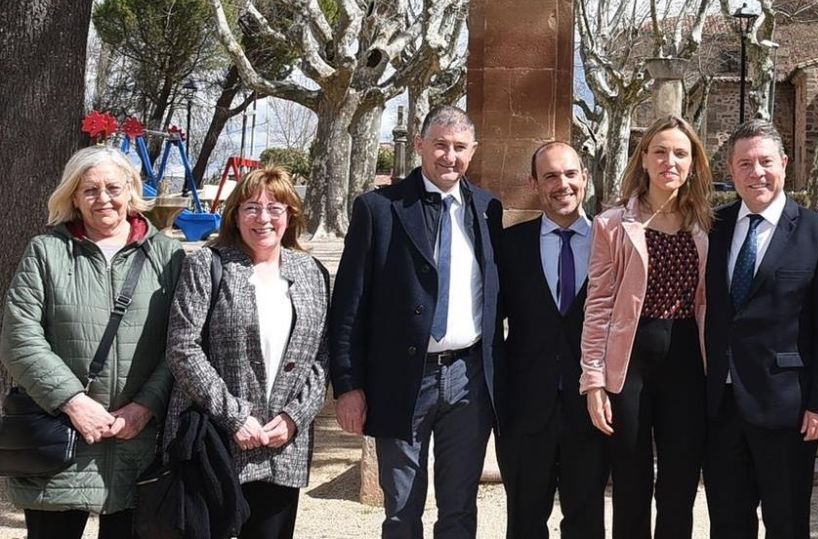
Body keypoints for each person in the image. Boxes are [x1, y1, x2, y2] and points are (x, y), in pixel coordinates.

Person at [328, 106, 505, 539]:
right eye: (441, 145)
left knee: (459, 509)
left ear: (474, 152)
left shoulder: (488, 209)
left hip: (469, 381)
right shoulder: (378, 209)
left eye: (460, 148)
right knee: (401, 511)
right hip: (402, 380)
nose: (450, 156)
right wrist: (347, 385)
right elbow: (349, 305)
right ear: (421, 146)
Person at [0, 146, 182, 539]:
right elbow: (19, 338)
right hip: (62, 440)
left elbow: (182, 343)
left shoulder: (168, 256)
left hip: (138, 443)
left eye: (113, 187)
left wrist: (146, 405)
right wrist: (73, 402)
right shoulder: (46, 253)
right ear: (73, 196)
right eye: (90, 190)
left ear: (131, 189)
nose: (104, 199)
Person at [164, 166, 329, 539]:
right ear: (235, 215)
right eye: (251, 208)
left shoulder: (311, 272)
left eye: (276, 208)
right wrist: (235, 418)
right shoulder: (206, 265)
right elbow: (182, 348)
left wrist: (293, 418)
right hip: (214, 441)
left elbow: (322, 357)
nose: (263, 218)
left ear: (291, 216)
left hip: (280, 446)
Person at [703, 119, 818, 539]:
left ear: (784, 163)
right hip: (719, 405)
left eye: (765, 161)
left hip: (788, 407)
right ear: (730, 169)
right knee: (727, 523)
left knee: (786, 523)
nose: (755, 172)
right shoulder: (712, 226)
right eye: (744, 163)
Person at [580, 115, 713, 539]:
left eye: (680, 153)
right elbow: (598, 305)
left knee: (679, 485)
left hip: (689, 363)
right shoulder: (612, 224)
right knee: (631, 482)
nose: (669, 161)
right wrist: (594, 380)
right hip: (630, 364)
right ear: (643, 159)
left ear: (693, 163)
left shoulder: (709, 226)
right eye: (660, 151)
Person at [497, 141, 608, 539]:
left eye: (570, 173)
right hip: (526, 408)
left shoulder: (611, 242)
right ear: (534, 184)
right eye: (550, 176)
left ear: (584, 177)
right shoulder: (508, 246)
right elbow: (492, 326)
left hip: (592, 409)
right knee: (524, 523)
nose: (563, 184)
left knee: (586, 522)